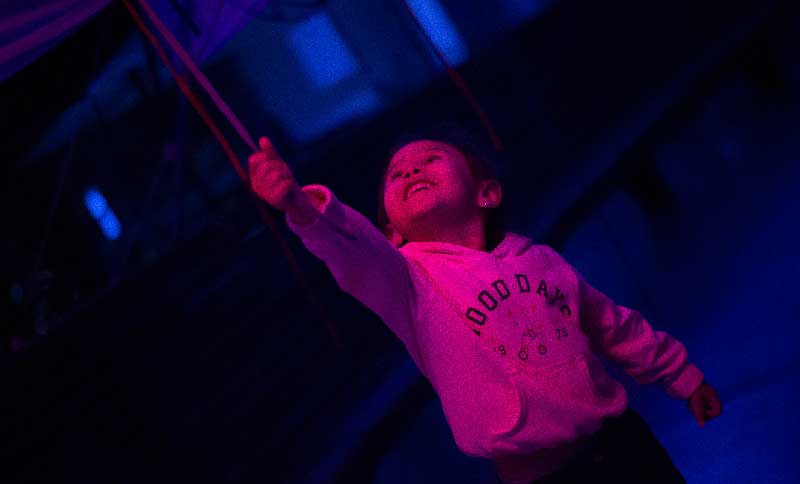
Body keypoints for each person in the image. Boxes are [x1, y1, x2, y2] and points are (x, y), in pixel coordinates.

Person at [248, 125, 722, 483]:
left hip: (624, 445)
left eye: (430, 160)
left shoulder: (540, 259)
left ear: (486, 193)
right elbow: (351, 246)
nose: (411, 169)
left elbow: (612, 326)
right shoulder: (406, 279)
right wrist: (301, 207)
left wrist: (680, 374)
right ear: (392, 233)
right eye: (397, 174)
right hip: (539, 477)